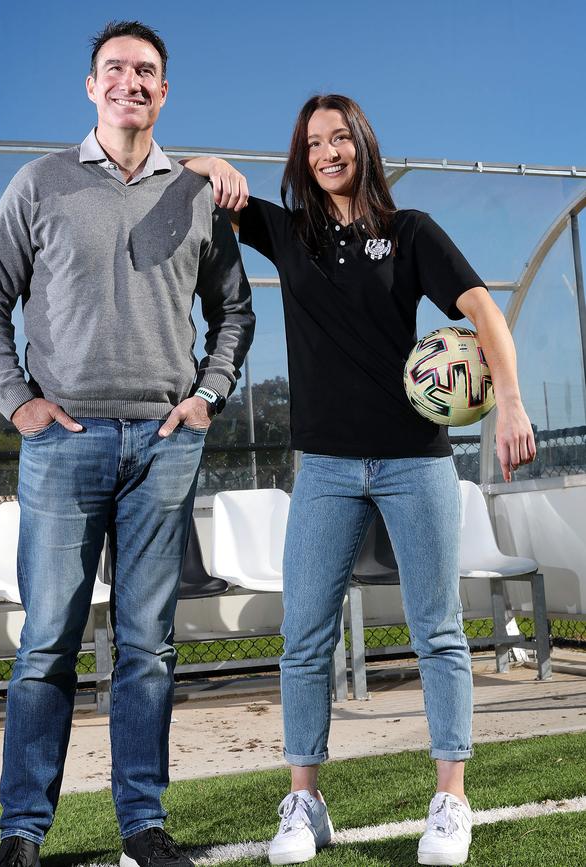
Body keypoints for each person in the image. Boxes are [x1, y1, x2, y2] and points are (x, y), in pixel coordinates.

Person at [182, 94, 535, 866]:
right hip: (327, 469)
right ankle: (305, 800)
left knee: (437, 630)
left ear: (364, 147)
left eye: (341, 138)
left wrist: (508, 400)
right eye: (315, 142)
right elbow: (180, 175)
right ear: (302, 157)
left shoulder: (409, 233)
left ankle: (451, 801)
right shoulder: (288, 232)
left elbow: (481, 307)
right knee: (304, 636)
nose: (329, 151)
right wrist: (212, 164)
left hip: (417, 461)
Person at [0, 20, 254, 867]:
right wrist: (17, 402)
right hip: (64, 444)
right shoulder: (40, 184)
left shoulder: (197, 193)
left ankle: (143, 825)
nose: (132, 80)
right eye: (116, 69)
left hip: (166, 444)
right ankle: (22, 833)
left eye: (148, 72)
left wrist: (207, 396)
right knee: (46, 642)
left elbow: (233, 313)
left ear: (165, 93)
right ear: (91, 87)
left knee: (150, 647)